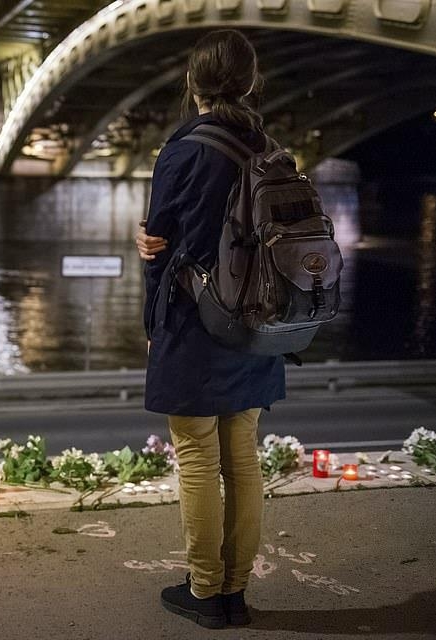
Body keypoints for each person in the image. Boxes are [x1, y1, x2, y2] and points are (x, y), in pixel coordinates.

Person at [136, 29, 286, 629]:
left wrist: (153, 318)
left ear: (192, 83)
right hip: (256, 321)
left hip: (196, 319)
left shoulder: (185, 150)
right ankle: (235, 591)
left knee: (197, 454)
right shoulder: (270, 147)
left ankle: (204, 590)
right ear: (251, 83)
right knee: (242, 456)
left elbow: (160, 243)